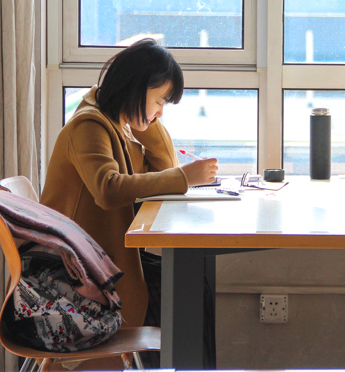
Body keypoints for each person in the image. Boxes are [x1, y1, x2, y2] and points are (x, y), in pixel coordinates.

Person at [40, 38, 218, 333]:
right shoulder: (89, 125)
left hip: (102, 259)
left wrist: (146, 121)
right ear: (135, 88)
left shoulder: (118, 125)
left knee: (193, 287)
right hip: (79, 274)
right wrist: (185, 177)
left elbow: (163, 168)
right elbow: (108, 189)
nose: (161, 112)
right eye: (160, 101)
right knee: (189, 293)